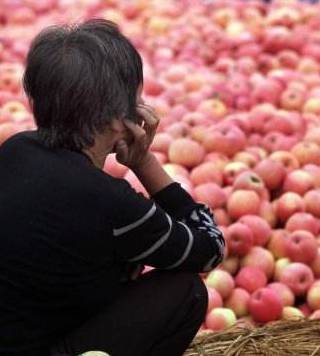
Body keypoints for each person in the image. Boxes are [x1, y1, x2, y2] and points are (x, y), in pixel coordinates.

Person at [0, 19, 225, 356]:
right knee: (185, 290)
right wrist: (144, 163)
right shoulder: (113, 203)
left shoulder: (14, 150)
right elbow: (210, 249)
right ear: (121, 117)